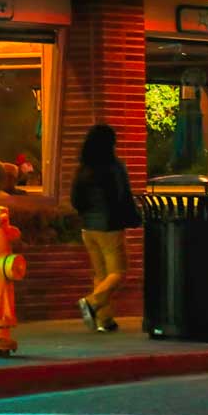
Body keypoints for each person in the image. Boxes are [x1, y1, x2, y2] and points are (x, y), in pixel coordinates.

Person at [70, 123, 138, 333]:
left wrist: (86, 214)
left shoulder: (83, 168)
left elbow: (75, 199)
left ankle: (104, 320)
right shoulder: (114, 167)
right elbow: (122, 196)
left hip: (87, 228)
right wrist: (133, 218)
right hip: (109, 226)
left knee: (101, 274)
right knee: (118, 272)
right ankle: (91, 303)